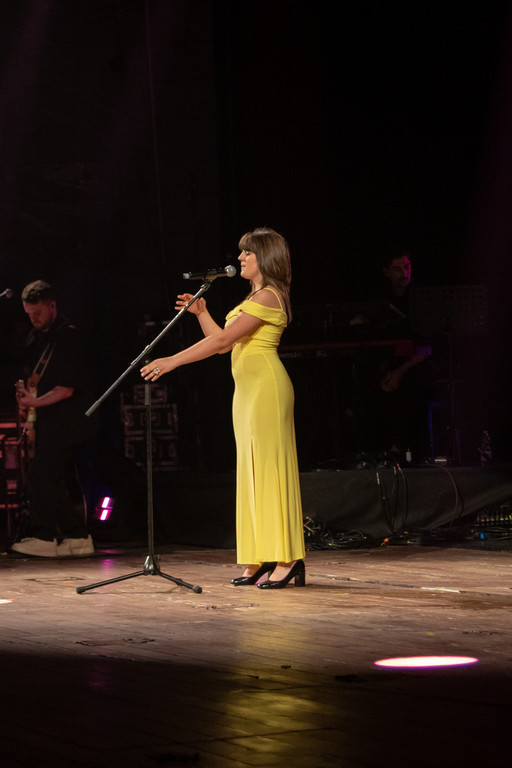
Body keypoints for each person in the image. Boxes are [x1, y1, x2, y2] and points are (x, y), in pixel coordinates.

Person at [141, 227, 306, 588]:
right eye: (241, 252)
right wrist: (201, 312)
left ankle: (288, 558)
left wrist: (172, 360)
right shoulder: (255, 296)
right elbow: (225, 343)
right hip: (246, 392)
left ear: (266, 257)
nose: (240, 258)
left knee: (269, 472)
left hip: (266, 389)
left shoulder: (270, 296)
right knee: (250, 472)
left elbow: (223, 341)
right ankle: (260, 556)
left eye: (248, 252)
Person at [11, 280, 96, 557]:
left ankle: (44, 536)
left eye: (37, 313)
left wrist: (33, 402)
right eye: (29, 314)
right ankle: (78, 537)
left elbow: (66, 388)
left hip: (68, 421)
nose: (33, 319)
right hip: (49, 420)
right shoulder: (36, 338)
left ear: (52, 306)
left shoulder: (68, 336)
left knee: (42, 476)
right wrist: (27, 404)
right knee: (53, 480)